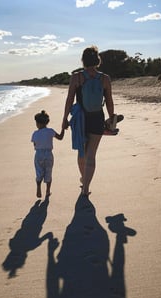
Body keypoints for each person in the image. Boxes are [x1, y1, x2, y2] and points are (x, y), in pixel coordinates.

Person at [61, 45, 115, 197]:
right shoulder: (105, 78)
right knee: (91, 155)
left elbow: (69, 99)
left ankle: (83, 180)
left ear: (83, 60)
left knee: (81, 153)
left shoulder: (76, 77)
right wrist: (111, 118)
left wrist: (64, 119)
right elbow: (109, 101)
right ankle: (86, 187)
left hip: (81, 119)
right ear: (98, 60)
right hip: (97, 117)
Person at [31, 110, 64, 198]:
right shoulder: (50, 131)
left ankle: (38, 187)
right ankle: (48, 191)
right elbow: (60, 137)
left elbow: (35, 144)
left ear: (38, 123)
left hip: (38, 154)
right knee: (48, 172)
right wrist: (63, 129)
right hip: (49, 154)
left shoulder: (35, 133)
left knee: (39, 172)